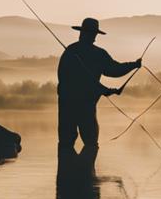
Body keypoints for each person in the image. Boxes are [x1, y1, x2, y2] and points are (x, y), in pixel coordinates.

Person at [57, 18, 141, 149]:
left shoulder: (71, 50)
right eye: (92, 33)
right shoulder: (96, 53)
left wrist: (133, 65)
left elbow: (63, 79)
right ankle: (86, 168)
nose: (93, 36)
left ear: (81, 32)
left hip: (67, 104)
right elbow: (114, 70)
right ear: (92, 34)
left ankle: (69, 168)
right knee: (90, 143)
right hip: (83, 105)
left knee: (66, 143)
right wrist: (134, 65)